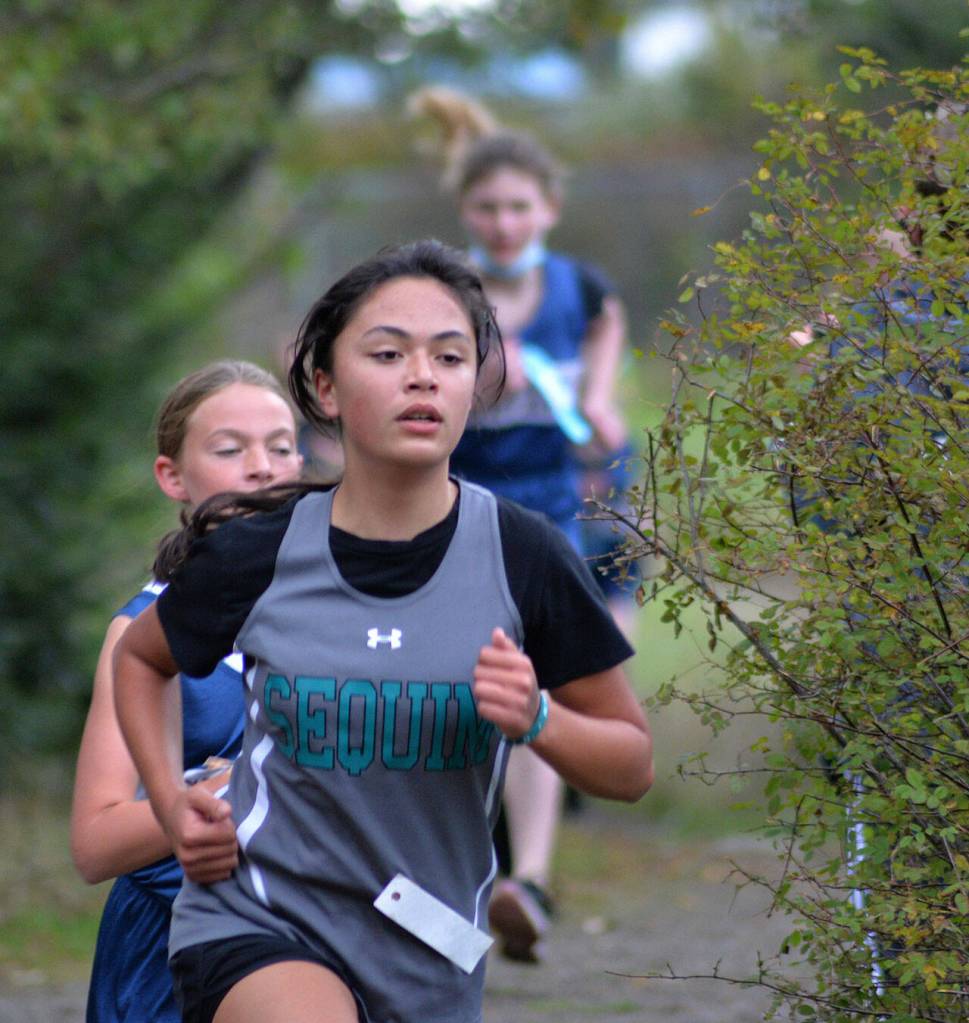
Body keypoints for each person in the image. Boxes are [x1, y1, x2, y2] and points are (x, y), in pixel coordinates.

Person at [112, 239, 654, 1023]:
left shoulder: (523, 553)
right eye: (388, 352)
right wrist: (170, 803)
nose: (422, 375)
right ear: (325, 387)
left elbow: (630, 763)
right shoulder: (257, 552)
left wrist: (539, 717)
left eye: (450, 356)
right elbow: (140, 659)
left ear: (476, 389)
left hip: (428, 946)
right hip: (260, 915)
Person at [408, 86, 631, 960]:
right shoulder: (445, 292)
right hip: (454, 499)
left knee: (537, 691)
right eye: (487, 207)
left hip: (548, 509)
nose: (503, 223)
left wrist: (601, 399)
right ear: (464, 210)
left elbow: (607, 325)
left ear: (548, 208)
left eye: (518, 207)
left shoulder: (578, 287)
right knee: (442, 684)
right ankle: (443, 866)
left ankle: (527, 879)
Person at [70, 360, 303, 1023]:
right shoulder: (141, 631)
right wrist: (230, 787)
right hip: (172, 948)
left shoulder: (341, 607)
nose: (262, 467)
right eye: (230, 449)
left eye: (281, 446)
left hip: (317, 926)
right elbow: (95, 842)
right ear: (172, 476)